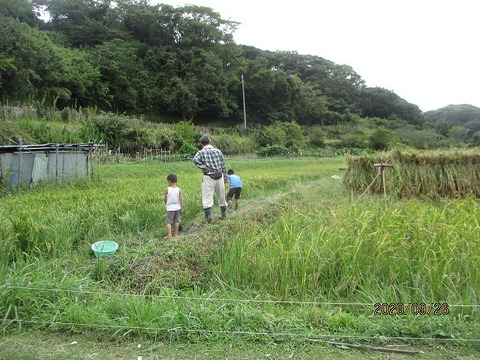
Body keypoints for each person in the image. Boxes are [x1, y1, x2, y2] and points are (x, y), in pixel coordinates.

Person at [193, 135, 228, 223]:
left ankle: (209, 218)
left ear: (201, 144)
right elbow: (223, 164)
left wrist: (204, 167)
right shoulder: (218, 151)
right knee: (222, 196)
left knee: (207, 198)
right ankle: (223, 215)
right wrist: (225, 177)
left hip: (208, 176)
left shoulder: (200, 153)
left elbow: (195, 160)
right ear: (210, 141)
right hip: (219, 175)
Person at [163, 173, 183, 239]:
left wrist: (167, 201)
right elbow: (181, 199)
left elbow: (165, 200)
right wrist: (181, 207)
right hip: (177, 207)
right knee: (176, 221)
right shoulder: (179, 189)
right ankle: (175, 233)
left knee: (168, 222)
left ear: (169, 181)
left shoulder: (167, 189)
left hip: (170, 208)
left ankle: (169, 235)